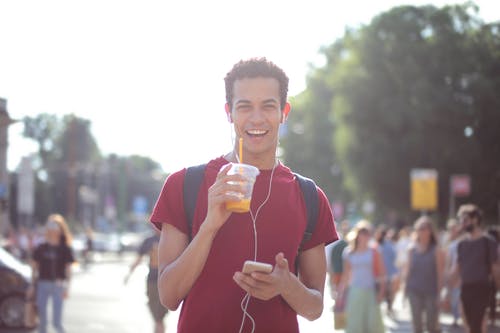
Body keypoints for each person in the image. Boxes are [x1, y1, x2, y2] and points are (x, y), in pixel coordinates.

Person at [150, 57, 338, 333]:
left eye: (268, 106)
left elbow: (314, 308)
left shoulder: (310, 196)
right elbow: (168, 296)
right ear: (229, 112)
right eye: (245, 106)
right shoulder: (184, 184)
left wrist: (286, 285)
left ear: (284, 112)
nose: (257, 118)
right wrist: (209, 226)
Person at [453, 204, 497, 333]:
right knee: (468, 322)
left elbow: (495, 267)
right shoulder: (461, 244)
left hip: (482, 287)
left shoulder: (488, 241)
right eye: (461, 220)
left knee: (476, 325)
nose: (462, 223)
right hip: (465, 288)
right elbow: (457, 267)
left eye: (465, 219)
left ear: (475, 219)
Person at [28, 214, 75, 333]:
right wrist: (32, 286)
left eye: (55, 226)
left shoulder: (65, 248)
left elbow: (69, 269)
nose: (53, 229)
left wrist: (67, 288)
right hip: (42, 284)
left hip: (58, 285)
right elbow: (34, 268)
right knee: (42, 321)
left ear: (60, 229)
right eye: (50, 225)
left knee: (57, 322)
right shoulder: (41, 247)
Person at [338, 220, 386, 333]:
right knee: (355, 324)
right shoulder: (349, 252)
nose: (364, 236)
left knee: (372, 325)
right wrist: (340, 294)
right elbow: (345, 275)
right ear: (357, 234)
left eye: (367, 233)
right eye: (361, 233)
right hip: (355, 292)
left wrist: (381, 292)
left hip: (371, 292)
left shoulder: (375, 251)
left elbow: (382, 274)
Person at [403, 216, 444, 333]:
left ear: (430, 231)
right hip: (414, 290)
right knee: (417, 325)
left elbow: (440, 273)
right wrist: (405, 289)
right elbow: (408, 271)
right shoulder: (411, 249)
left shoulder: (436, 250)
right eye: (420, 228)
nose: (422, 231)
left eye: (425, 228)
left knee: (432, 325)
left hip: (431, 291)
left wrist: (440, 294)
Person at [124, 228, 168, 333]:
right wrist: (129, 274)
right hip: (152, 280)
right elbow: (139, 259)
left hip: (166, 280)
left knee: (159, 317)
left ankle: (159, 329)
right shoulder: (149, 240)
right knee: (156, 314)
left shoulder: (170, 238)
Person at [375, 224, 398, 318]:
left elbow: (394, 257)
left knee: (388, 291)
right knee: (379, 292)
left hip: (387, 272)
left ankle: (389, 307)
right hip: (378, 274)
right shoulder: (376, 245)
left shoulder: (387, 245)